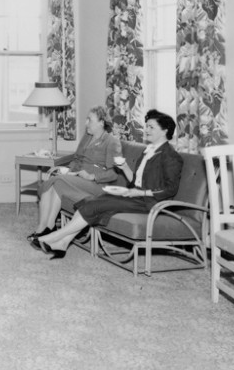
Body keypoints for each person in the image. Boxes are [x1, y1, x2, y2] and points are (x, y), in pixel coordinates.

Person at [32, 109, 182, 259]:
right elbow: (136, 180)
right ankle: (62, 244)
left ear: (164, 131)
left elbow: (170, 189)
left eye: (151, 127)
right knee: (90, 201)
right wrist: (124, 168)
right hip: (134, 196)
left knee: (96, 205)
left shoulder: (171, 156)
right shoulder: (148, 151)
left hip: (149, 203)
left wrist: (140, 193)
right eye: (147, 126)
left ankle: (54, 237)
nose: (147, 130)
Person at [28, 106, 122, 240]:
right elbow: (77, 158)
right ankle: (44, 227)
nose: (86, 123)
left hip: (98, 185)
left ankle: (47, 228)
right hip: (80, 178)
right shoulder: (87, 137)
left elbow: (114, 173)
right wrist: (67, 170)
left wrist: (92, 176)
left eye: (90, 120)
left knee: (58, 180)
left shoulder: (111, 141)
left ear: (101, 122)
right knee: (55, 183)